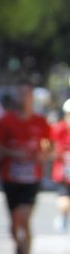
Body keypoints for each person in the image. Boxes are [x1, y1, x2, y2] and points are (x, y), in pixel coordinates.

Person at [0, 91, 52, 254]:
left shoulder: (41, 121)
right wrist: (11, 152)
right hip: (11, 177)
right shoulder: (7, 120)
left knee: (25, 218)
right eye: (21, 95)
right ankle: (19, 247)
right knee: (14, 223)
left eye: (27, 96)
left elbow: (51, 146)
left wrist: (44, 156)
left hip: (31, 177)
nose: (23, 99)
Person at [51, 100, 70, 233]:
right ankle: (63, 215)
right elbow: (49, 146)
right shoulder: (58, 129)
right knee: (64, 202)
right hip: (64, 174)